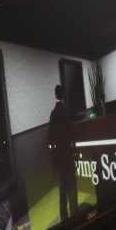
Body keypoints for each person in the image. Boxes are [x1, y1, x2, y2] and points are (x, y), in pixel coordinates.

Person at [49, 83, 77, 222]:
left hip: (59, 157)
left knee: (62, 188)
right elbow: (72, 134)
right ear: (63, 96)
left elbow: (50, 138)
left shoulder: (53, 114)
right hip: (68, 155)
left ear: (55, 96)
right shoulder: (67, 112)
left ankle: (64, 219)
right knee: (71, 186)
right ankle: (75, 217)